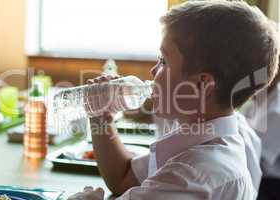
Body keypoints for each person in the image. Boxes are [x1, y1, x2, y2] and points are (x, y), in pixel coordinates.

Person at [68, 1, 279, 199]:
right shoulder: (197, 139)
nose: (153, 70)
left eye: (163, 61)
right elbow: (123, 178)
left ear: (202, 84)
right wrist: (100, 115)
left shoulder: (189, 177)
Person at [242, 69, 280, 200]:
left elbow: (258, 160)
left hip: (270, 183)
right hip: (251, 168)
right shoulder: (257, 101)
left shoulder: (276, 112)